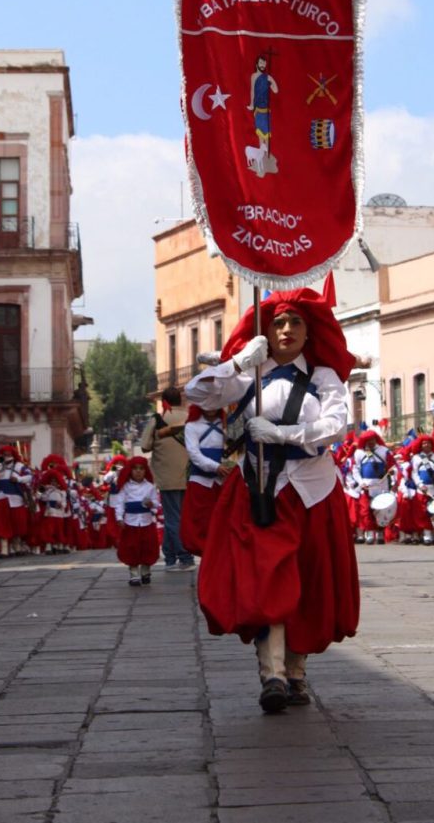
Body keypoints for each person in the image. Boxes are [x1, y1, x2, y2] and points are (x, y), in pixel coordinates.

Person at [185, 287, 359, 714]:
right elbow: (198, 394)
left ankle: (296, 672)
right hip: (259, 492)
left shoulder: (323, 378)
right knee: (266, 580)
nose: (286, 330)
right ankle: (273, 674)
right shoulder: (249, 376)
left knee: (308, 581)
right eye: (278, 322)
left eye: (295, 322)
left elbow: (337, 425)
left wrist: (283, 434)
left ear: (309, 331)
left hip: (312, 491)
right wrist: (240, 361)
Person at [140, 389, 195, 571]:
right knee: (180, 516)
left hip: (166, 476)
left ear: (164, 401)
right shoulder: (190, 418)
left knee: (172, 518)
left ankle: (185, 557)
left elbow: (145, 446)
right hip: (188, 475)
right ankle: (170, 557)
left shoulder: (157, 420)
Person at [180, 405, 231, 556]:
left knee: (223, 524)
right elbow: (194, 454)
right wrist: (215, 467)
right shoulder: (192, 426)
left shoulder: (227, 424)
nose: (210, 405)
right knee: (201, 525)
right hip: (201, 483)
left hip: (224, 482)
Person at [111, 456, 161, 585]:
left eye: (141, 469)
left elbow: (157, 503)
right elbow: (120, 503)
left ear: (145, 471)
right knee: (131, 547)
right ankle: (134, 573)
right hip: (130, 522)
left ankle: (145, 571)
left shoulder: (150, 486)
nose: (138, 471)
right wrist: (119, 518)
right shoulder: (125, 487)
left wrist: (152, 504)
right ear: (130, 470)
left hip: (146, 521)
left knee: (147, 546)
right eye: (135, 469)